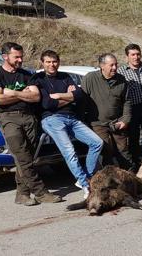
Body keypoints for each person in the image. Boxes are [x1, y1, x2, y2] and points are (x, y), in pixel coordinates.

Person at [0, 42, 61, 205]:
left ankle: (21, 194)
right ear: (5, 57)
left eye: (21, 56)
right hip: (7, 118)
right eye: (17, 57)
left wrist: (13, 92)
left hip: (28, 117)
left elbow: (35, 97)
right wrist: (23, 94)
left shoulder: (27, 74)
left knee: (28, 157)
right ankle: (40, 192)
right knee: (22, 156)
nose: (20, 60)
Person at [30, 50, 103, 199]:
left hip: (72, 118)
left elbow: (79, 95)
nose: (52, 65)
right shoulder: (38, 79)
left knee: (97, 142)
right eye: (48, 62)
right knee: (69, 151)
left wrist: (60, 96)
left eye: (54, 61)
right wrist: (69, 97)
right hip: (52, 119)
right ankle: (85, 185)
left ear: (59, 62)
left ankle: (86, 178)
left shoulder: (65, 76)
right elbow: (47, 103)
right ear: (42, 63)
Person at [83, 53, 133, 169]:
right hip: (98, 124)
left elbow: (127, 101)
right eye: (111, 65)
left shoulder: (121, 80)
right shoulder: (90, 78)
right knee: (105, 152)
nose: (115, 68)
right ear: (102, 66)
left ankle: (129, 179)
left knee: (124, 152)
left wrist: (125, 120)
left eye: (116, 64)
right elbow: (82, 101)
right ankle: (107, 181)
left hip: (117, 123)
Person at [117, 43, 142, 170]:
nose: (136, 57)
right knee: (133, 136)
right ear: (127, 56)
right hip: (132, 107)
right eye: (133, 55)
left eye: (138, 54)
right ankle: (136, 164)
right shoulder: (121, 72)